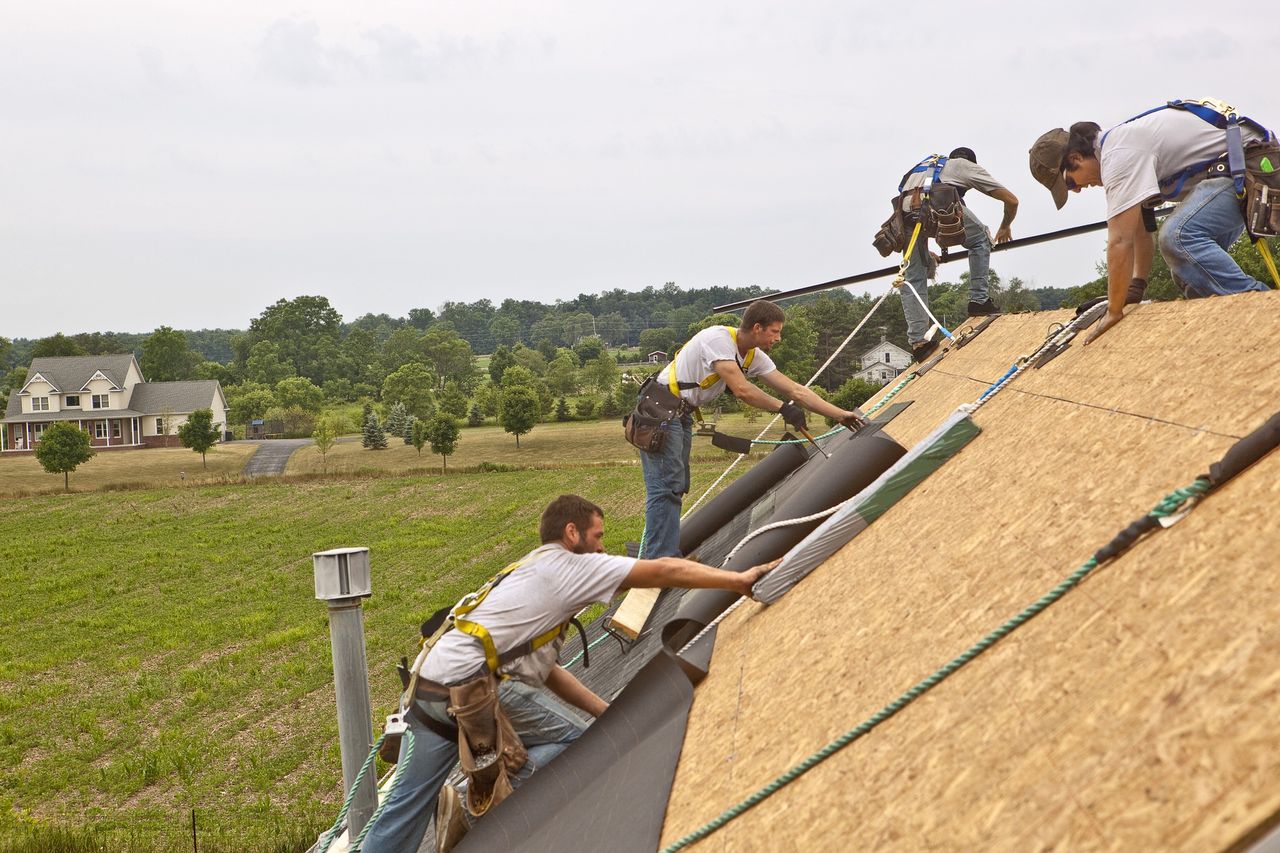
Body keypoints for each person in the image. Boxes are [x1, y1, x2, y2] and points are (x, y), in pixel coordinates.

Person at [361, 494, 776, 853]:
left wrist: (606, 711)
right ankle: (482, 805)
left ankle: (476, 799)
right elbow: (665, 569)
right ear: (572, 532)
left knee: (402, 810)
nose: (602, 549)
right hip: (469, 692)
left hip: (430, 690)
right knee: (581, 744)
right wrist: (738, 580)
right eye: (597, 537)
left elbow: (546, 673)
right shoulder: (571, 569)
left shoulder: (533, 568)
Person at [1028, 99, 1275, 344]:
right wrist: (1136, 286)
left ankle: (1267, 312)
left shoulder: (1118, 156)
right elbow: (1140, 233)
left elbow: (1119, 241)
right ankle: (1238, 338)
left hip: (1253, 168)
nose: (1077, 190)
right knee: (1189, 273)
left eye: (1069, 183)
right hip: (1237, 172)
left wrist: (1114, 311)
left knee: (1178, 238)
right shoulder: (1120, 151)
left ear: (1076, 158)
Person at [638, 299, 866, 559]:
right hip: (660, 411)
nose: (778, 338)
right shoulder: (718, 340)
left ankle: (666, 555)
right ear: (757, 328)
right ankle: (659, 561)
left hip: (679, 415)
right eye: (775, 331)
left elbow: (796, 390)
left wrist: (840, 415)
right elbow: (743, 390)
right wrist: (783, 408)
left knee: (676, 485)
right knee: (665, 486)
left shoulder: (751, 356)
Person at [896, 148, 1020, 362]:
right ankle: (979, 301)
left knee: (913, 276)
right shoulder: (964, 166)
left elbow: (915, 207)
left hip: (905, 215)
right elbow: (1012, 200)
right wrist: (1005, 226)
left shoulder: (921, 168)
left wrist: (924, 252)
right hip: (935, 205)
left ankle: (919, 343)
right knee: (980, 238)